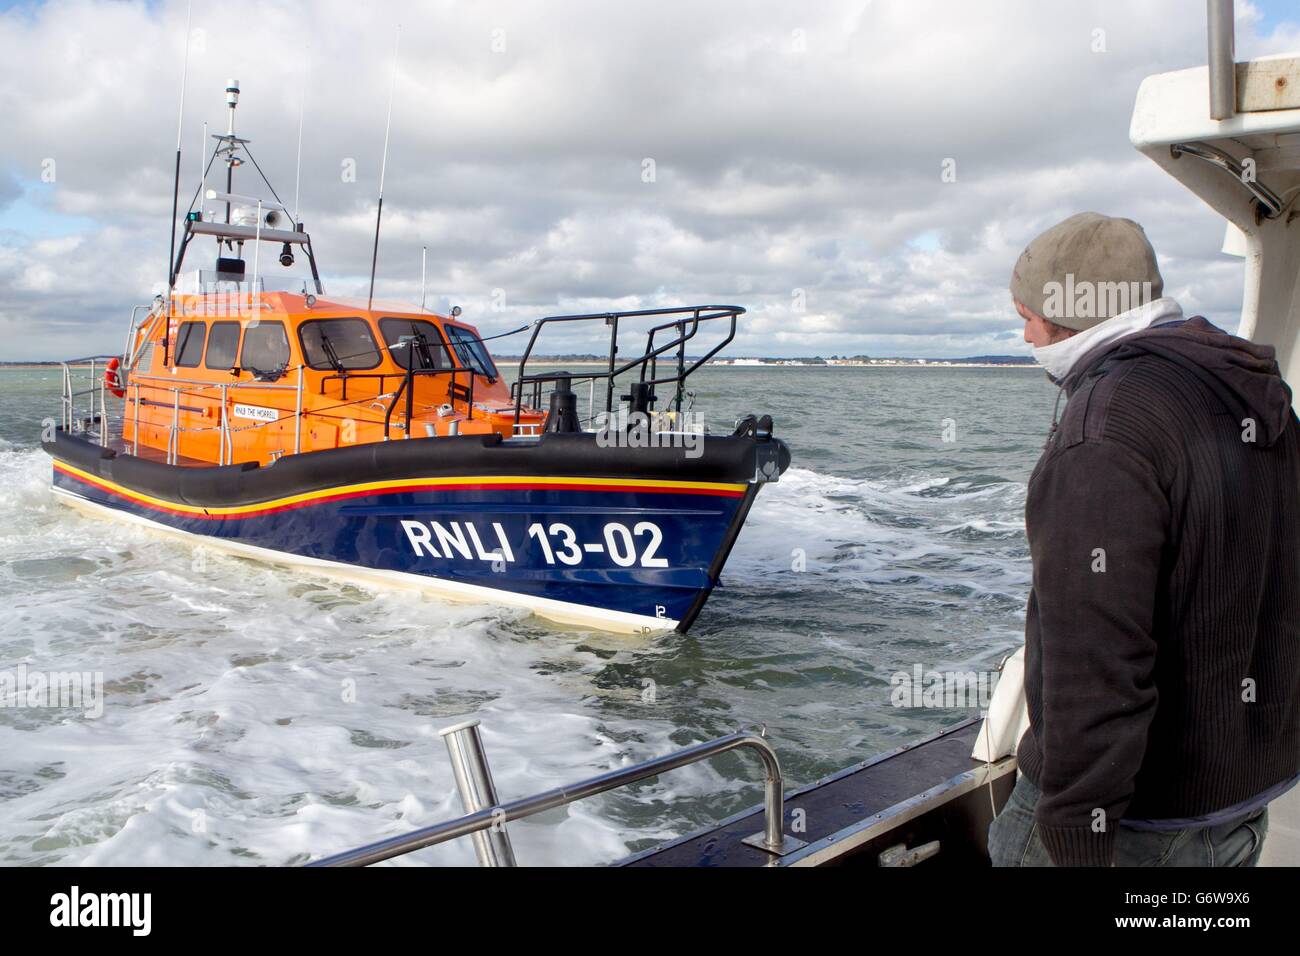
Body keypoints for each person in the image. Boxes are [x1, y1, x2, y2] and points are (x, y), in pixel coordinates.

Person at [988, 212, 1300, 867]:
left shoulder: (1102, 434)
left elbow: (1096, 663)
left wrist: (1075, 836)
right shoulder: (1256, 392)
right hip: (1239, 806)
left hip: (1137, 825)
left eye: (1028, 314)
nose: (1024, 333)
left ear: (1067, 313)